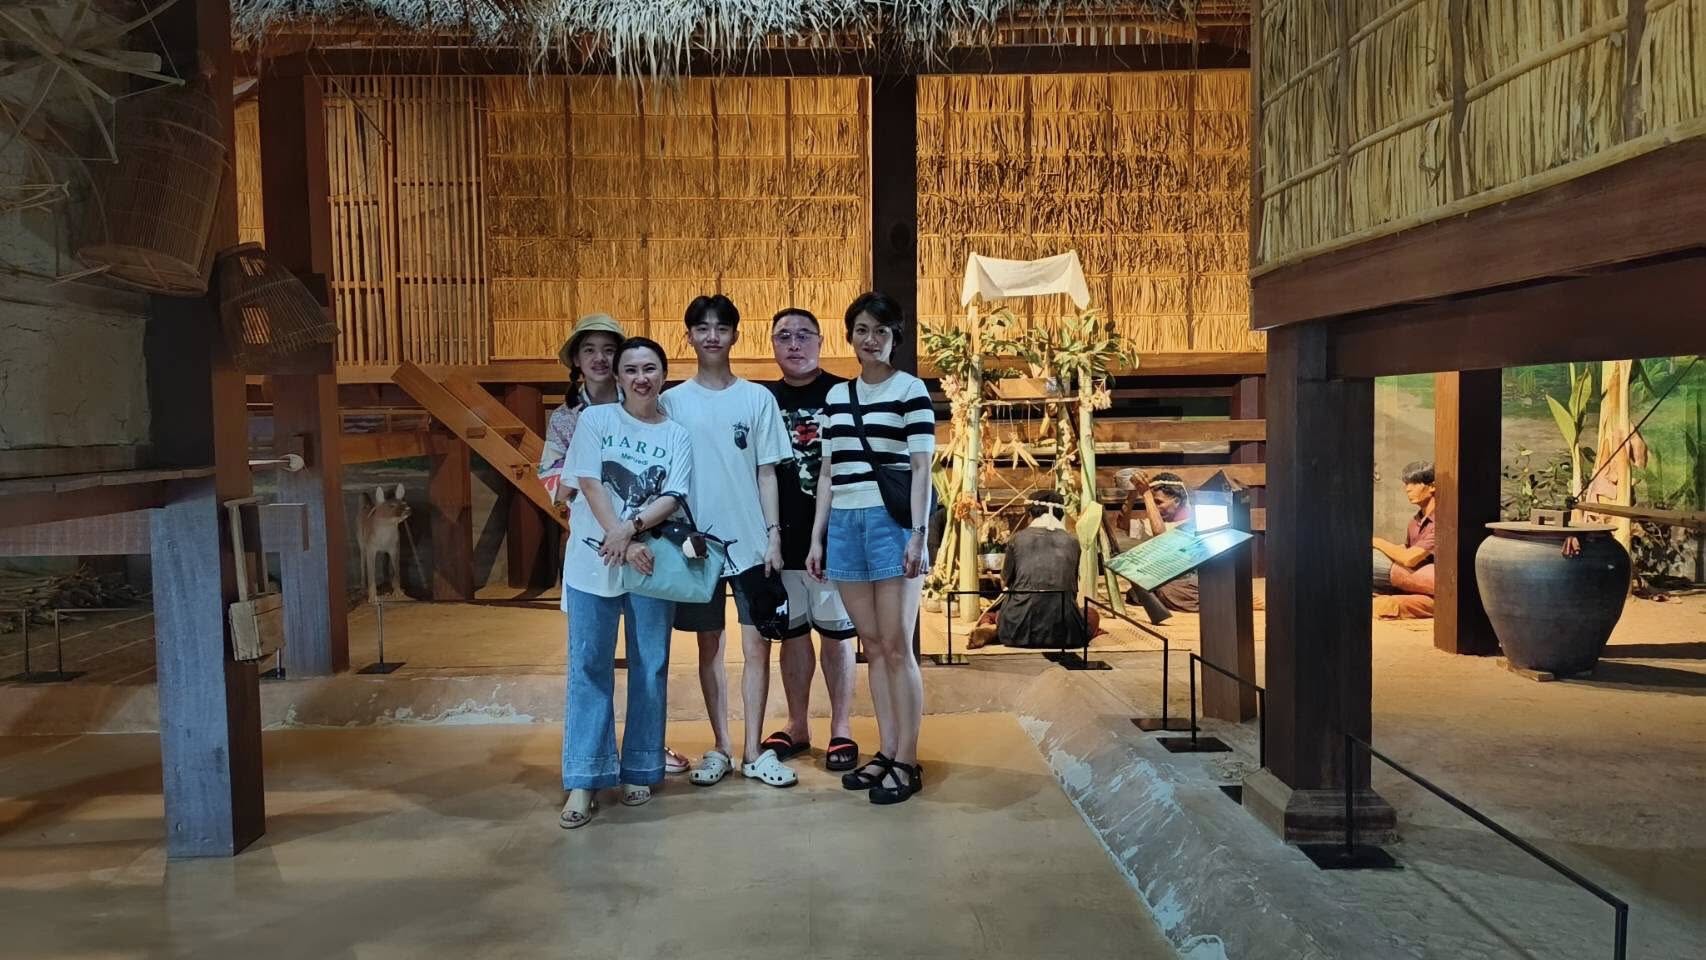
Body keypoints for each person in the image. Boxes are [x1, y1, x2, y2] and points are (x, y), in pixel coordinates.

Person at [539, 314, 689, 777]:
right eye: (590, 350)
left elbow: (669, 483)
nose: (601, 359)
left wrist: (629, 526)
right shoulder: (571, 418)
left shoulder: (662, 414)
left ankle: (644, 755)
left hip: (645, 548)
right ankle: (590, 766)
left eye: (609, 350)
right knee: (589, 663)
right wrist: (611, 523)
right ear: (577, 360)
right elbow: (561, 485)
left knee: (649, 662)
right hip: (595, 548)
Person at [660, 295, 795, 789]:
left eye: (721, 327)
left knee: (758, 646)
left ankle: (754, 750)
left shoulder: (757, 399)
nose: (712, 336)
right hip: (696, 547)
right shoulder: (672, 402)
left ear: (736, 335)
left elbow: (766, 473)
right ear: (689, 336)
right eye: (702, 327)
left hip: (752, 544)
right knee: (709, 646)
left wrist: (773, 537)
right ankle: (719, 746)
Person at [807, 291, 934, 805]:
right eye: (861, 329)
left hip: (892, 524)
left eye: (881, 331)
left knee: (898, 646)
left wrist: (919, 534)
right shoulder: (838, 397)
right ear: (850, 336)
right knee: (873, 646)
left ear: (894, 337)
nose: (870, 339)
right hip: (844, 525)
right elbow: (828, 472)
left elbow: (921, 468)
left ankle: (908, 759)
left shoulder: (911, 390)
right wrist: (817, 537)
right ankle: (886, 749)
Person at [763, 307, 861, 772]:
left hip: (835, 536)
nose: (795, 344)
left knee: (838, 634)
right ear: (772, 345)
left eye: (804, 335)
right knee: (793, 633)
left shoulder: (844, 394)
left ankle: (841, 727)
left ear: (822, 342)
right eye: (784, 336)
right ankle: (798, 725)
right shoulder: (762, 399)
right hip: (780, 536)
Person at [991, 491, 1087, 649]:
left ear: (1030, 515)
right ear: (1060, 514)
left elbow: (1005, 582)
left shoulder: (1018, 539)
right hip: (1067, 633)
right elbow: (1072, 587)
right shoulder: (1073, 542)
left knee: (997, 613)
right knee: (1091, 615)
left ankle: (991, 629)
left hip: (1018, 630)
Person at [1121, 470, 1199, 613]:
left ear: (1177, 501)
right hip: (1162, 580)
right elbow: (1122, 524)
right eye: (1153, 502)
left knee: (1165, 590)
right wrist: (1133, 493)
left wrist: (1146, 494)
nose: (1154, 507)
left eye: (1158, 502)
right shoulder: (1157, 522)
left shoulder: (1192, 524)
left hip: (1186, 582)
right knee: (1138, 591)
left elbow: (1161, 536)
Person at [1372, 460, 1437, 619]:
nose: (1408, 489)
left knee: (1386, 604)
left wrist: (1377, 542)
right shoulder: (1415, 522)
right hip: (1414, 585)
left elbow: (1409, 558)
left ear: (1432, 486)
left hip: (1439, 587)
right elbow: (1406, 550)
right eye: (1407, 484)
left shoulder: (1442, 521)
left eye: (1414, 483)